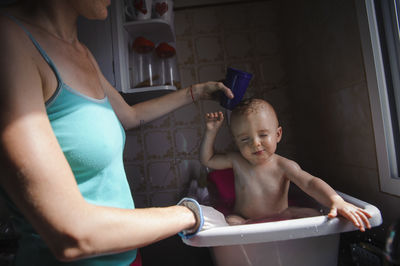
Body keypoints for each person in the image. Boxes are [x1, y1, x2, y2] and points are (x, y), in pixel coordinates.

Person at [0, 1, 231, 265]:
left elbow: (130, 116)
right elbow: (71, 234)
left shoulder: (82, 53)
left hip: (129, 258)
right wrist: (192, 213)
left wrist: (197, 93)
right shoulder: (9, 40)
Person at [200, 98, 372, 231]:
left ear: (278, 134)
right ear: (237, 143)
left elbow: (310, 183)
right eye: (245, 139)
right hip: (244, 219)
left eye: (263, 135)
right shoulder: (236, 161)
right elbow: (208, 160)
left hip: (281, 216)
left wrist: (336, 200)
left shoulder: (284, 166)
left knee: (314, 214)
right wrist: (210, 133)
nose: (256, 143)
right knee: (230, 223)